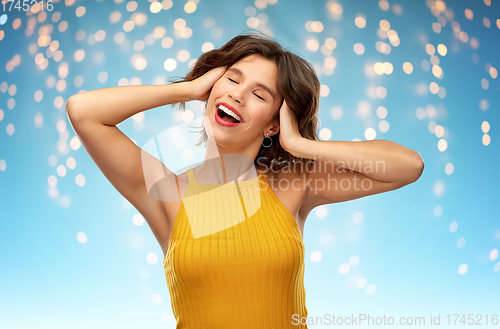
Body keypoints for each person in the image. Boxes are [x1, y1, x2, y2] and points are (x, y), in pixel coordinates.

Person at [66, 30, 424, 328]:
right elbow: (83, 112)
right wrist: (188, 90)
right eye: (232, 80)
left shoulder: (293, 185)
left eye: (258, 94)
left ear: (274, 122)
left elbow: (407, 165)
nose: (237, 93)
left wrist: (299, 143)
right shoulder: (167, 193)